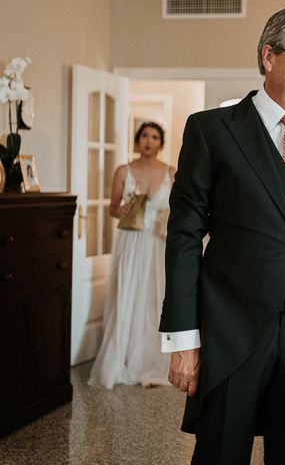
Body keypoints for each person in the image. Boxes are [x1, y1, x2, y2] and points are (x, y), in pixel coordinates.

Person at [159, 7, 285, 464]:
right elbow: (184, 235)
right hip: (231, 330)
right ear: (268, 56)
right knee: (221, 452)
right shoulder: (210, 131)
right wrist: (184, 340)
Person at [89, 121, 175, 389]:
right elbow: (112, 209)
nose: (149, 141)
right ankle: (123, 361)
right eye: (144, 136)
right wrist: (122, 209)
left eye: (155, 137)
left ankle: (152, 362)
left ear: (161, 143)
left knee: (154, 298)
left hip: (158, 242)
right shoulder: (123, 171)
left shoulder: (171, 172)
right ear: (137, 141)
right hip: (130, 241)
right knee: (128, 294)